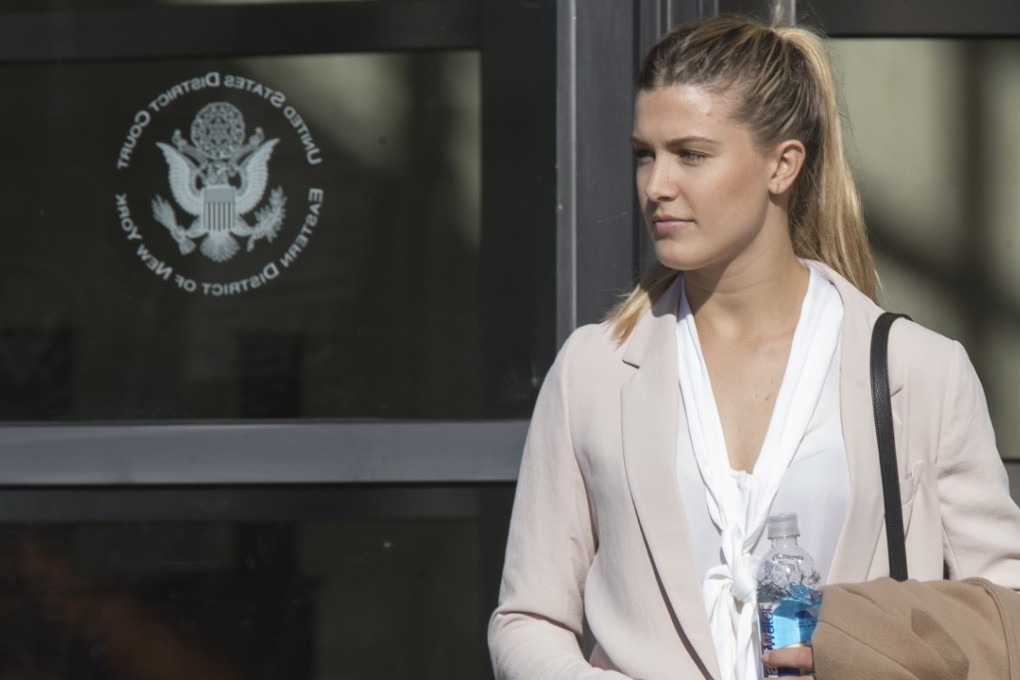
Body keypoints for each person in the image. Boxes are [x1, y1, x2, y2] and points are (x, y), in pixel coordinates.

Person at [487, 13, 1020, 680]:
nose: (656, 185)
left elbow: (1004, 612)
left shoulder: (918, 370)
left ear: (782, 164)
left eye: (692, 154)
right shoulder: (594, 370)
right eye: (645, 154)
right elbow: (528, 617)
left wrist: (858, 646)